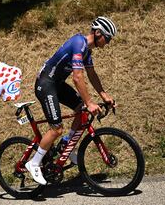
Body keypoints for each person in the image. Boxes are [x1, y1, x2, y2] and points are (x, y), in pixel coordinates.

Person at [25, 16, 117, 185]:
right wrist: (90, 102)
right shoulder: (78, 43)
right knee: (57, 128)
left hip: (57, 84)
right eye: (108, 37)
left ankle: (65, 145)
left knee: (80, 110)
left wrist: (104, 95)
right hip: (46, 84)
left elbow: (91, 74)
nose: (108, 42)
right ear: (97, 33)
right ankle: (34, 163)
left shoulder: (87, 51)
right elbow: (77, 77)